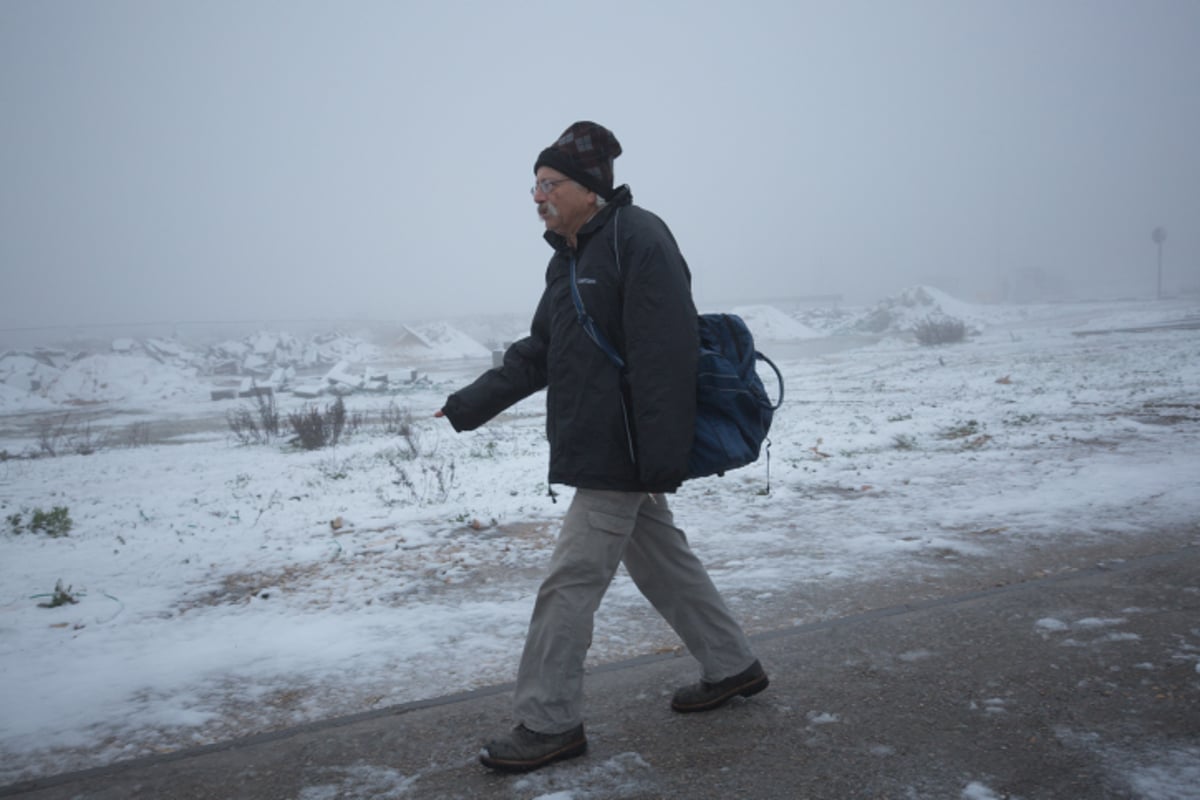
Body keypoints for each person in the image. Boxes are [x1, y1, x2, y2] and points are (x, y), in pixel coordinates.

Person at [435, 121, 767, 773]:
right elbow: (541, 353)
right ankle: (733, 666)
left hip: (624, 449)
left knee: (569, 582)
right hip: (603, 444)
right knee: (663, 562)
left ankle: (548, 720)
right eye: (534, 186)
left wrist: (659, 454)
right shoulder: (570, 259)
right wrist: (473, 401)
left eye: (548, 184)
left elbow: (665, 354)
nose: (537, 197)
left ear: (588, 189)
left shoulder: (638, 238)